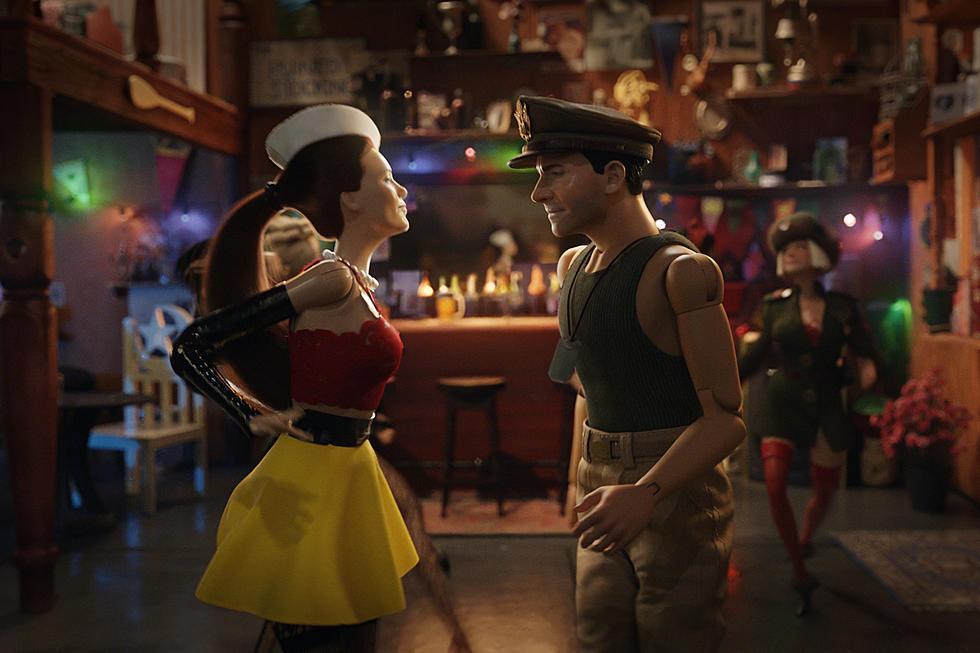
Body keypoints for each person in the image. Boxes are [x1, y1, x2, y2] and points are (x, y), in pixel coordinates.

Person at [170, 104, 418, 653]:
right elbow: (192, 344)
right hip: (313, 477)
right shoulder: (332, 278)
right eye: (386, 178)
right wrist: (249, 413)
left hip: (347, 470)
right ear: (350, 199)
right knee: (322, 638)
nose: (401, 189)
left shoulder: (355, 282)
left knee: (346, 634)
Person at [509, 96, 745, 653]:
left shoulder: (681, 272)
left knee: (677, 634)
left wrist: (647, 491)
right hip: (599, 482)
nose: (539, 192)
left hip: (673, 486)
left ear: (614, 176)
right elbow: (585, 390)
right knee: (599, 633)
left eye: (555, 173)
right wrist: (578, 484)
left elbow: (727, 421)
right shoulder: (573, 268)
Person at [738, 212, 877, 616]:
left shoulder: (844, 308)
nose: (791, 254)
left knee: (825, 489)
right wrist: (720, 386)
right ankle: (799, 569)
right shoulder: (773, 306)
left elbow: (867, 353)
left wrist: (866, 379)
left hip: (828, 401)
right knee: (774, 483)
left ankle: (805, 536)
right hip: (783, 400)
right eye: (785, 249)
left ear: (818, 253)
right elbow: (754, 355)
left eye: (799, 246)